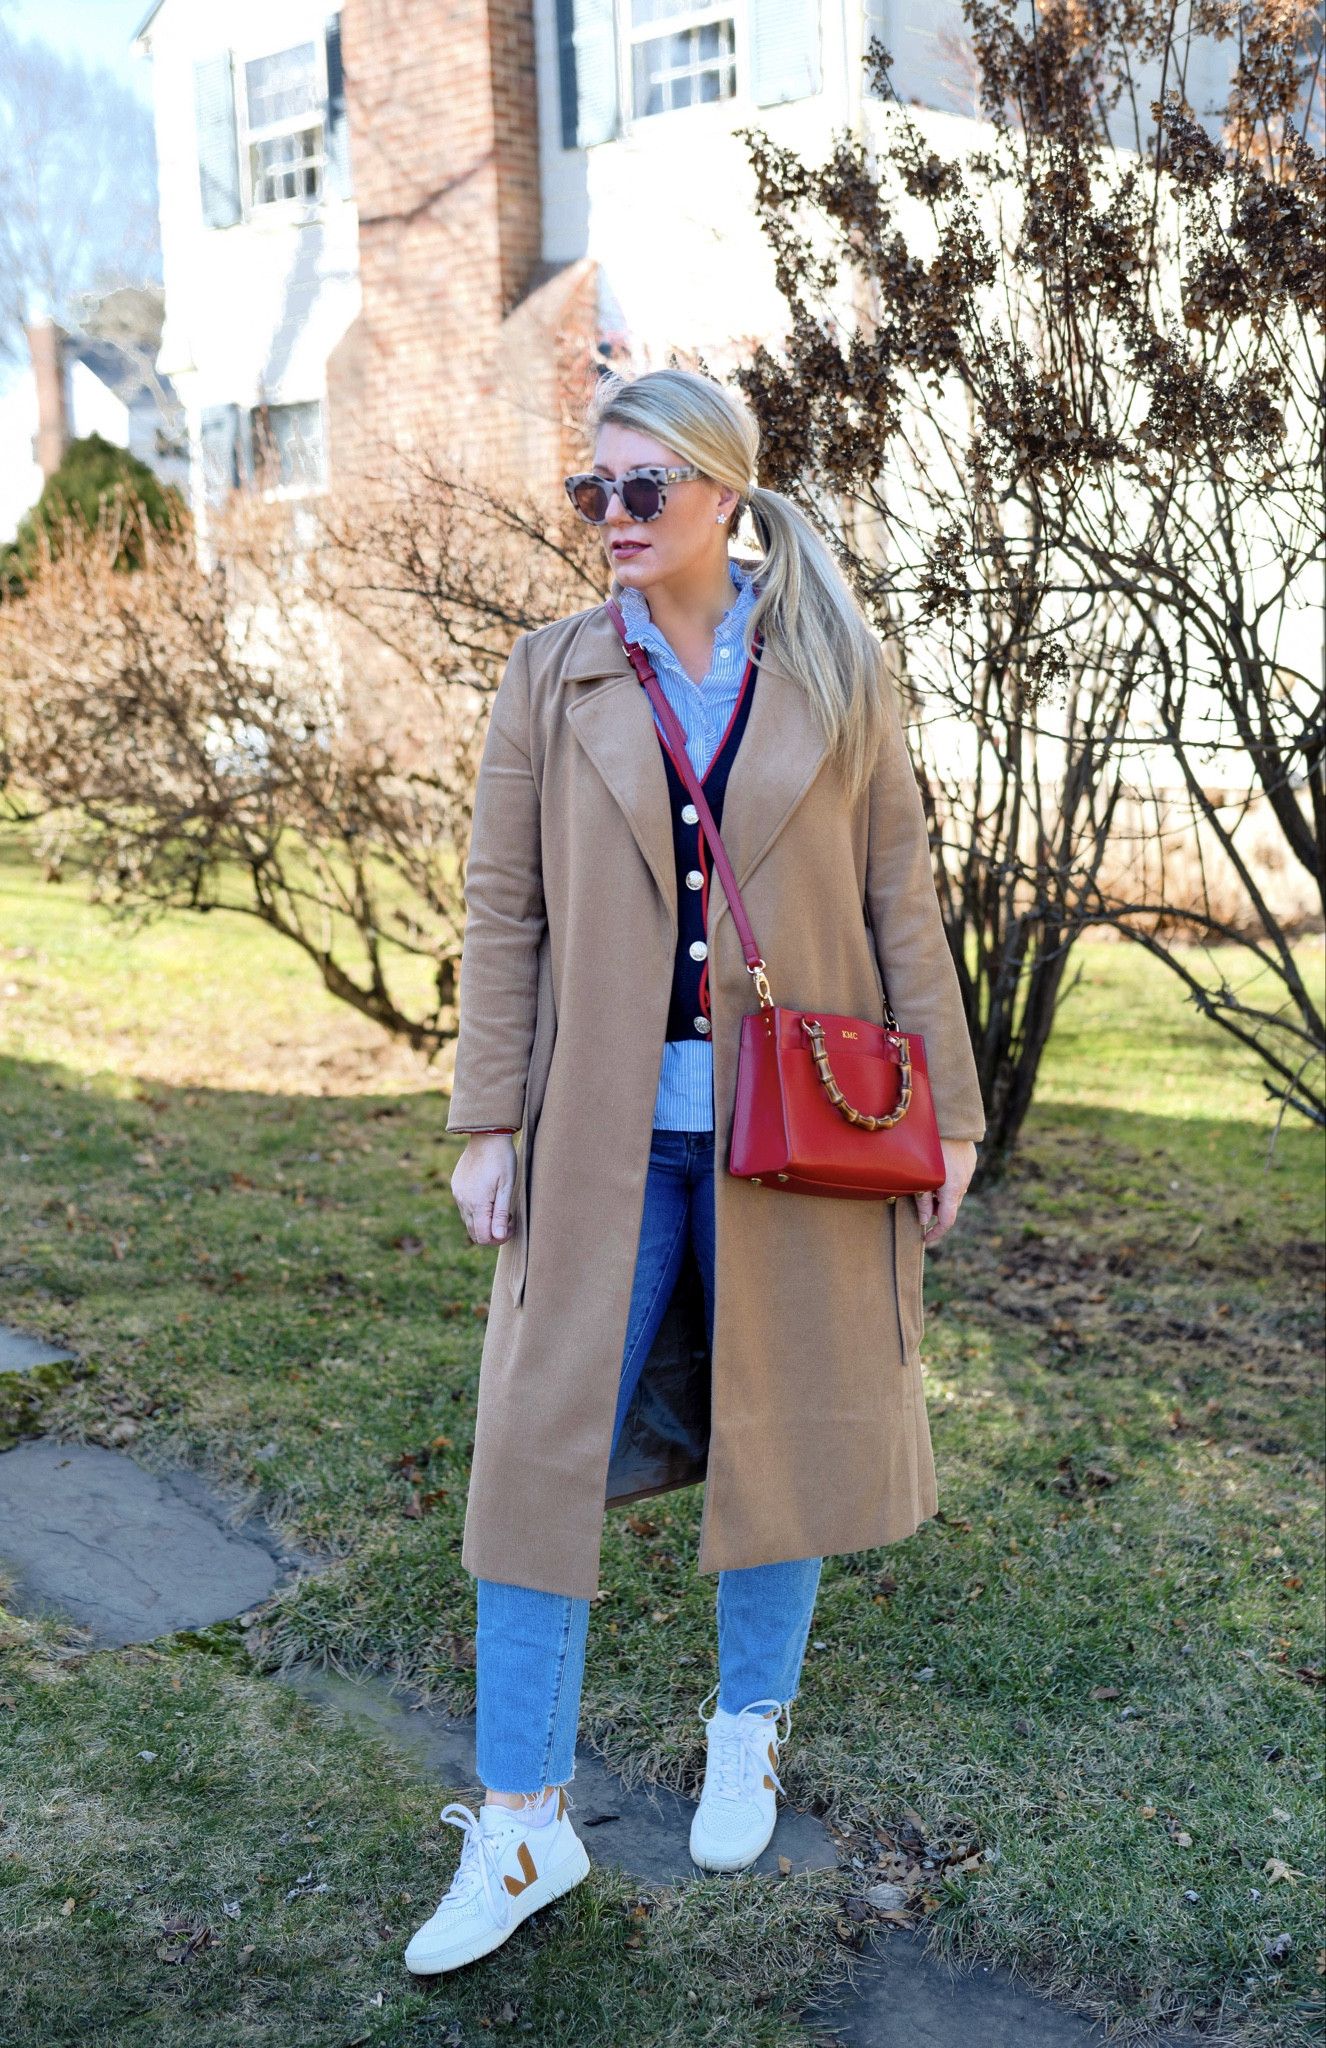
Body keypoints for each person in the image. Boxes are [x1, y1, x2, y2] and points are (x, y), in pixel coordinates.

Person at [404, 369, 984, 1976]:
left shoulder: (832, 665)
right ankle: (522, 1821)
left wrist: (947, 1119)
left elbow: (899, 899)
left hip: (792, 1134)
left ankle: (747, 1728)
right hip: (596, 1136)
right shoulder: (552, 671)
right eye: (589, 489)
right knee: (530, 1457)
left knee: (781, 1424)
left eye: (641, 487)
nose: (609, 516)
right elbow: (502, 909)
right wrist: (483, 1122)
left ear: (725, 493)